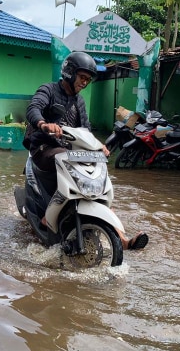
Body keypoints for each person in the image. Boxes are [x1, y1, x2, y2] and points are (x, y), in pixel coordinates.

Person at [23, 51, 148, 251]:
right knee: (60, 158)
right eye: (82, 78)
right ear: (70, 73)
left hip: (69, 152)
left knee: (95, 177)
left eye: (88, 80)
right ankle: (48, 218)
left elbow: (86, 130)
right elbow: (33, 108)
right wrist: (43, 124)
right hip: (44, 147)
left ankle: (122, 239)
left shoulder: (79, 101)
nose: (84, 83)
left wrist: (99, 145)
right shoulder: (49, 89)